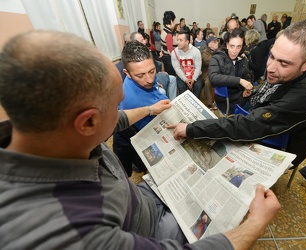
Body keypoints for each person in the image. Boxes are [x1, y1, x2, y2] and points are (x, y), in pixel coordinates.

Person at [0, 30, 281, 250]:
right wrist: (256, 222)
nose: (121, 111)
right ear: (87, 122)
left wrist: (148, 109)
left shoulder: (47, 129)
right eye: (116, 105)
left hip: (138, 201)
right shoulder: (70, 233)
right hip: (153, 231)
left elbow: (117, 121)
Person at [169, 19, 306, 169]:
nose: (271, 67)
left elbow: (249, 125)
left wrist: (192, 129)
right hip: (258, 119)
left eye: (284, 63)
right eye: (272, 56)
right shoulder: (283, 72)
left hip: (278, 146)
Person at [113, 41, 172, 176]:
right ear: (127, 73)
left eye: (152, 71)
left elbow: (151, 81)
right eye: (140, 76)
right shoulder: (134, 101)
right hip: (130, 137)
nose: (149, 80)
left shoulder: (142, 76)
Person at [209, 28, 253, 114]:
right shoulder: (217, 58)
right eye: (232, 46)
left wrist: (246, 89)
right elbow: (213, 78)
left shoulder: (243, 59)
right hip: (226, 101)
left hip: (241, 97)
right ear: (227, 45)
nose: (234, 51)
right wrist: (239, 80)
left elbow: (248, 75)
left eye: (238, 47)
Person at [128, 32, 177, 100]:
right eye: (141, 40)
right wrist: (154, 83)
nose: (145, 42)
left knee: (173, 79)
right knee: (162, 91)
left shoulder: (146, 51)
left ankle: (172, 103)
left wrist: (161, 71)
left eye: (144, 39)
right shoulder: (133, 59)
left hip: (155, 76)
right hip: (146, 85)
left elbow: (155, 64)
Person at [171, 31, 203, 98]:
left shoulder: (196, 51)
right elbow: (177, 68)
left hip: (194, 74)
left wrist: (193, 79)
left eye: (181, 40)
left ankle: (195, 103)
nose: (178, 42)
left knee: (198, 85)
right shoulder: (174, 53)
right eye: (177, 40)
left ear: (187, 41)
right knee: (181, 86)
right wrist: (185, 79)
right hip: (182, 75)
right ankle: (186, 104)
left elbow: (198, 68)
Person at [201, 35, 220, 107]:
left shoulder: (220, 50)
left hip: (218, 71)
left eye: (217, 42)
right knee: (208, 82)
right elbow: (209, 61)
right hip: (207, 73)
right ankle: (209, 103)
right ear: (209, 44)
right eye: (214, 42)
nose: (217, 43)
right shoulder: (204, 52)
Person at [161, 10, 177, 75]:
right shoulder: (169, 34)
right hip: (169, 59)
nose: (175, 23)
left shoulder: (164, 30)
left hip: (165, 57)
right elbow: (170, 51)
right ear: (171, 21)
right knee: (171, 76)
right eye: (174, 21)